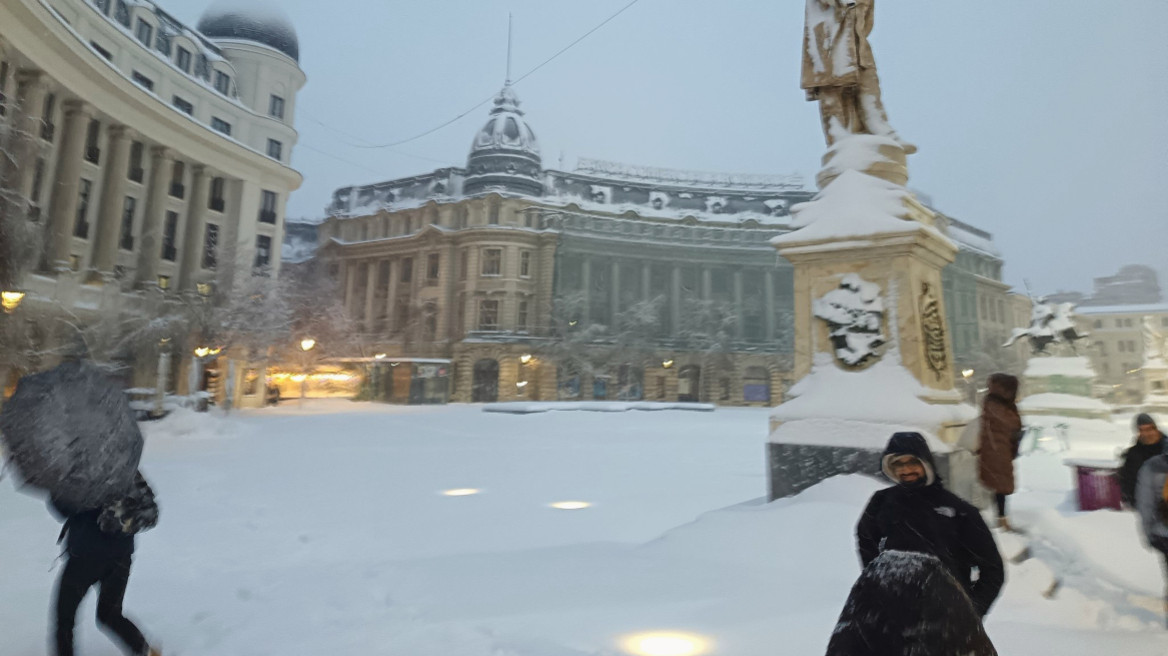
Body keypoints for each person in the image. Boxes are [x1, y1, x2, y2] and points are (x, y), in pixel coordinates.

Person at [857, 431, 1005, 617]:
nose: (906, 469)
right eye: (898, 464)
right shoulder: (882, 502)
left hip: (944, 616)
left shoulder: (958, 511)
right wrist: (877, 581)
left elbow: (993, 569)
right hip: (895, 613)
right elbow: (865, 538)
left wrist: (970, 613)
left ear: (926, 463)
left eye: (913, 462)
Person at [51, 473, 160, 656]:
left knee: (65, 618)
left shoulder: (80, 473)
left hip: (84, 558)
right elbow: (146, 507)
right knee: (110, 614)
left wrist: (56, 488)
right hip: (121, 556)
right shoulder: (127, 469)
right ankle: (145, 651)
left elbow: (63, 509)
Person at [978, 373, 1023, 531]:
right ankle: (1001, 520)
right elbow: (1011, 423)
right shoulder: (996, 404)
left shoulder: (998, 403)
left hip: (1001, 449)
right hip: (996, 450)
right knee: (999, 485)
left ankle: (1001, 518)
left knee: (999, 485)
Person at [1135, 447, 1168, 627]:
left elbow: (1145, 503)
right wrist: (1149, 531)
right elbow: (1145, 502)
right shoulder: (1152, 467)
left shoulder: (1152, 466)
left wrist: (1149, 532)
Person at [1120, 413, 1166, 508]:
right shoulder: (1133, 454)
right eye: (1141, 430)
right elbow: (1127, 481)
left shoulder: (1165, 449)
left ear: (1156, 429)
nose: (1146, 434)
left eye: (1149, 429)